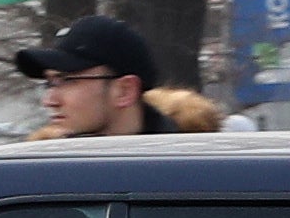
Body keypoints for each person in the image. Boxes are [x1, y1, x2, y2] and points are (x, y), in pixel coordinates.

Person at [19, 16, 185, 138]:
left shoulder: (194, 171)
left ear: (124, 91)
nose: (50, 101)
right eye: (50, 83)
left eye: (67, 80)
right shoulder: (43, 174)